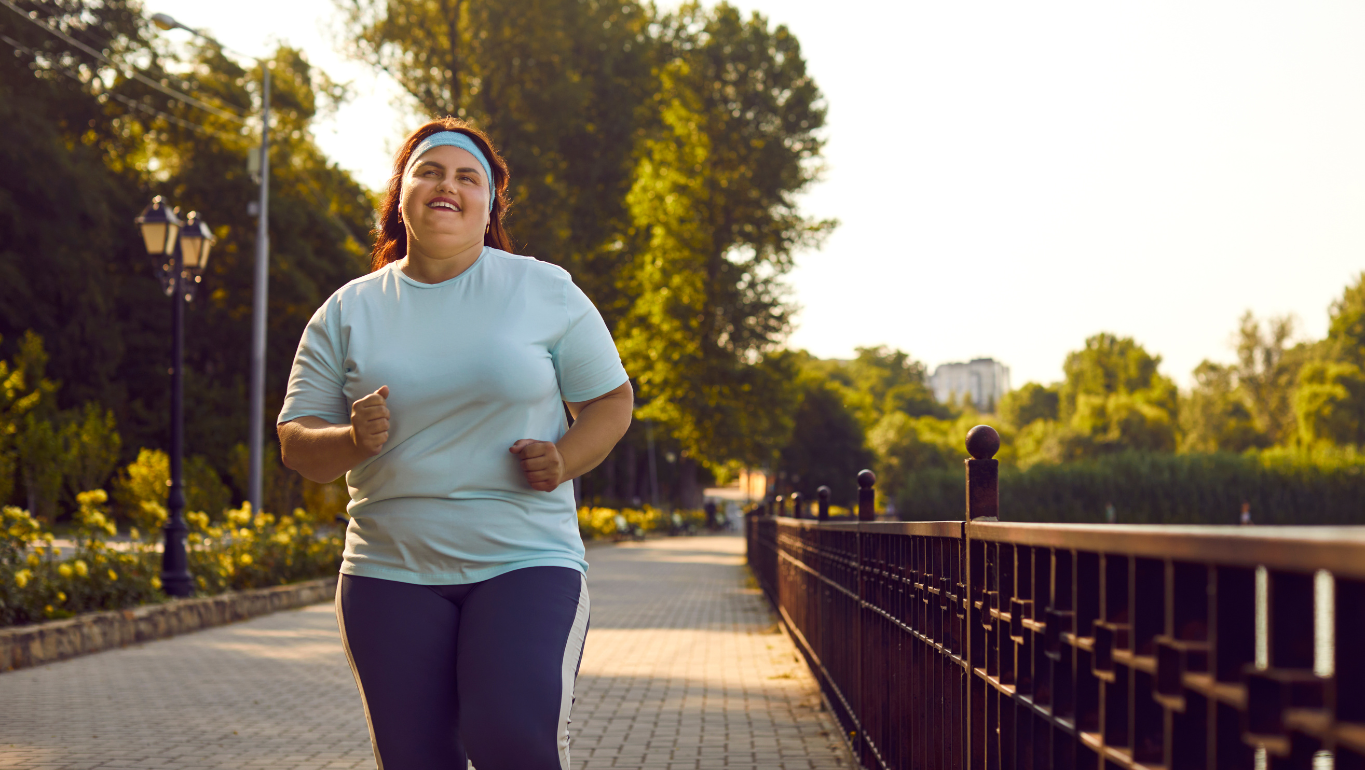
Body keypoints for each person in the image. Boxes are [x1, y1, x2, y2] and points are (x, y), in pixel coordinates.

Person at [276, 118, 633, 770]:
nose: (448, 185)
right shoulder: (348, 310)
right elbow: (297, 443)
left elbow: (611, 401)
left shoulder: (541, 289)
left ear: (490, 204)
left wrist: (565, 459)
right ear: (401, 194)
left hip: (525, 561)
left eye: (467, 176)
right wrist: (353, 439)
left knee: (510, 737)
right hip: (388, 572)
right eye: (430, 171)